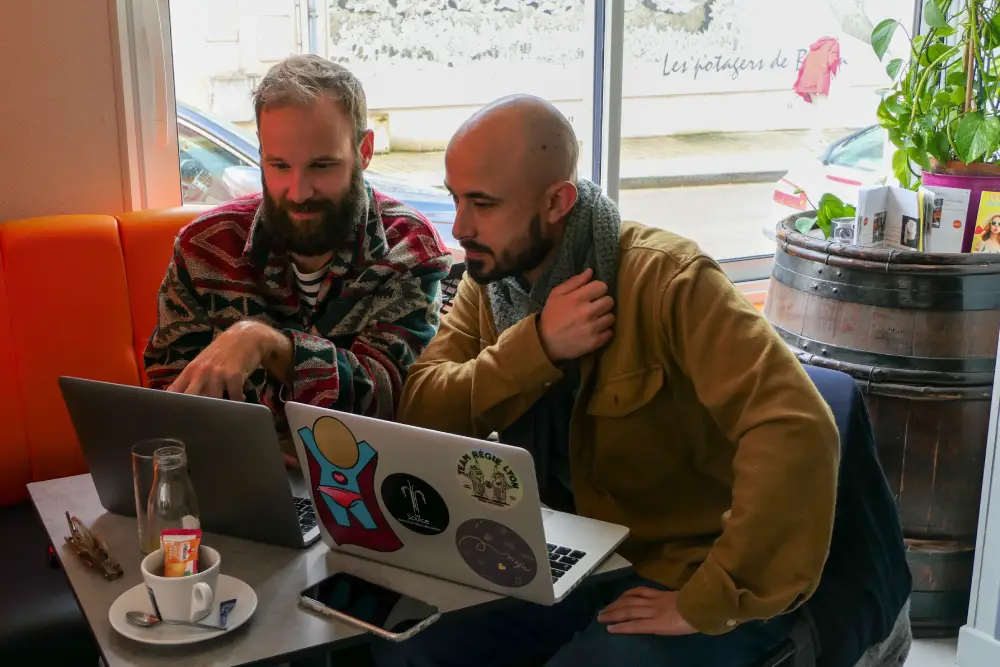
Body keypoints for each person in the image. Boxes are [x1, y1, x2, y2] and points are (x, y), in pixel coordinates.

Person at [373, 95, 841, 667]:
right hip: (560, 553)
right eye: (455, 198)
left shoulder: (668, 279)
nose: (460, 226)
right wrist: (538, 346)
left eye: (483, 204)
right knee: (408, 651)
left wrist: (710, 599)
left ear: (557, 202)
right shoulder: (491, 282)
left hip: (677, 566)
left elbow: (796, 428)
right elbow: (422, 411)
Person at [143, 55, 452, 449]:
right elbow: (169, 390)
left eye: (322, 166)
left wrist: (267, 345)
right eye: (279, 165)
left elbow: (389, 399)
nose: (299, 191)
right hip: (234, 469)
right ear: (261, 153)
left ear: (364, 150)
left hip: (364, 476)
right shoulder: (205, 247)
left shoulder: (408, 246)